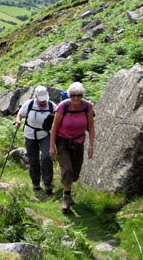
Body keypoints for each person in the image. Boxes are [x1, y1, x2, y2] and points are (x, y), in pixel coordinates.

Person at [49, 82, 95, 213]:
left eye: (79, 95)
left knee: (75, 172)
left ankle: (68, 188)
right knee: (67, 168)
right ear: (70, 96)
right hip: (63, 141)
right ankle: (66, 197)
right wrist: (52, 145)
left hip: (79, 141)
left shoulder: (87, 106)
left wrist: (91, 146)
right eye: (73, 95)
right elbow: (54, 127)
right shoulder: (63, 107)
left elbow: (91, 127)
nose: (76, 98)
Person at [14, 86, 57, 194]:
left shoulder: (51, 105)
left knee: (46, 158)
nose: (43, 102)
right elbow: (20, 114)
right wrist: (18, 122)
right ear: (36, 97)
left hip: (44, 134)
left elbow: (59, 116)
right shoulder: (29, 104)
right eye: (40, 100)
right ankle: (36, 183)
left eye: (44, 100)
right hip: (30, 135)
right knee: (33, 160)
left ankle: (47, 183)